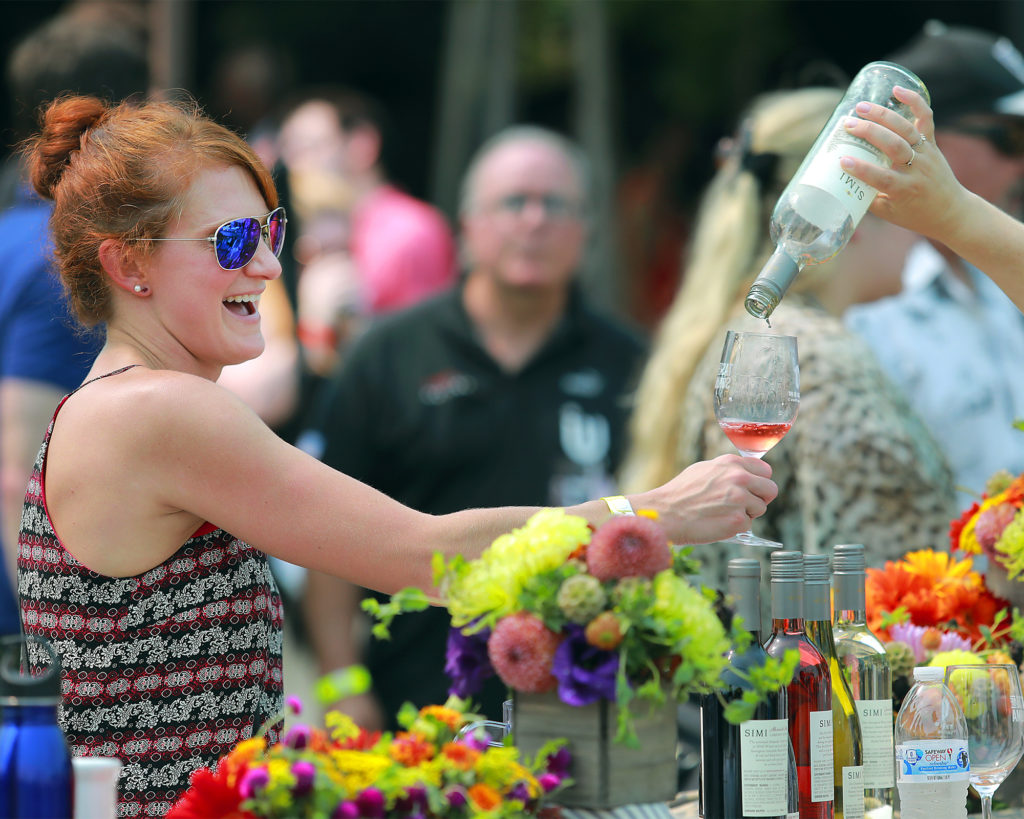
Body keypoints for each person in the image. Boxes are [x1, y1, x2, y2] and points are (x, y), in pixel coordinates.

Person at [15, 94, 776, 816]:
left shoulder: (125, 405)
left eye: (271, 233)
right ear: (127, 265)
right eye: (233, 241)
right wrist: (651, 515)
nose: (271, 267)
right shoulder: (159, 410)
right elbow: (427, 556)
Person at [298, 125, 649, 731]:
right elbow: (327, 537)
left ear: (587, 230)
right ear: (469, 224)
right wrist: (341, 683)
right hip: (418, 711)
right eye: (514, 202)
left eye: (556, 204)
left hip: (590, 710)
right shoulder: (387, 355)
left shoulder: (632, 366)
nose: (534, 221)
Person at [619, 87, 958, 602]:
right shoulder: (821, 362)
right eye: (901, 191)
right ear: (850, 206)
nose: (921, 225)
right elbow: (887, 597)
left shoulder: (746, 329)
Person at [0, 5, 150, 636]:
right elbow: (16, 472)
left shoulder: (17, 235)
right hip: (29, 628)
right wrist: (63, 654)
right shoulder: (59, 259)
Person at [844, 21, 1024, 499]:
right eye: (1010, 140)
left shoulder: (1000, 269)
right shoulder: (862, 289)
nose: (1021, 164)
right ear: (923, 134)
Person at [277, 87, 457, 317]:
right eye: (287, 149)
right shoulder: (310, 230)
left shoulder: (409, 232)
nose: (294, 164)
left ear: (362, 146)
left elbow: (416, 342)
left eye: (309, 146)